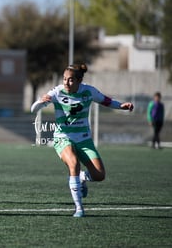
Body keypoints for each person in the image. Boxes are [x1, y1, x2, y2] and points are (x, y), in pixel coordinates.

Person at [31, 64, 134, 217]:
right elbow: (34, 109)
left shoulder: (88, 91)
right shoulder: (57, 92)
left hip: (84, 139)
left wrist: (121, 106)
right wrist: (40, 101)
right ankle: (79, 208)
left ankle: (81, 177)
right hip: (63, 138)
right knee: (73, 163)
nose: (66, 83)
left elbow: (106, 101)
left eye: (71, 80)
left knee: (99, 175)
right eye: (65, 79)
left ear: (79, 81)